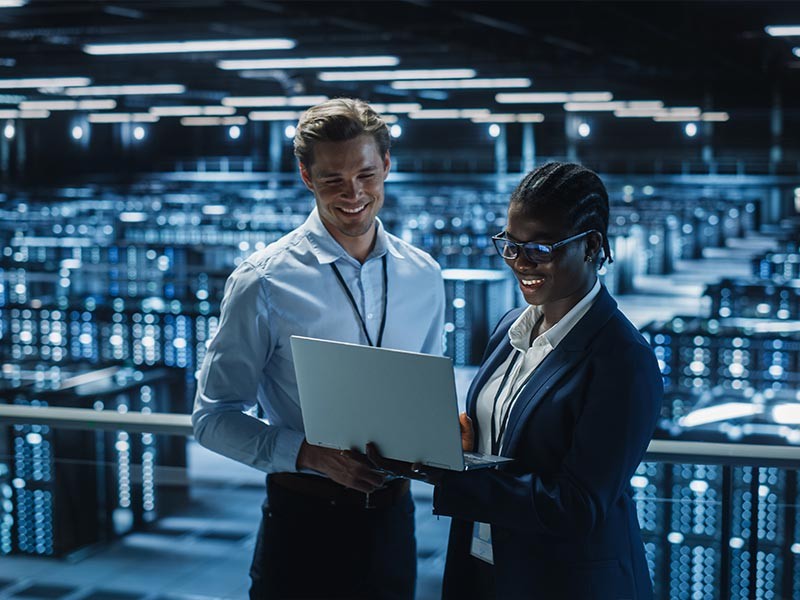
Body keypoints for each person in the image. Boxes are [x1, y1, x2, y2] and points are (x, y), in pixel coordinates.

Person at [192, 98, 445, 599]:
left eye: (366, 174)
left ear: (387, 166)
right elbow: (212, 418)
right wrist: (308, 454)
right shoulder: (263, 281)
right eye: (332, 179)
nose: (353, 194)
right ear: (307, 177)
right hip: (303, 524)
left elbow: (425, 395)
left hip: (395, 521)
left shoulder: (424, 275)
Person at [373, 162, 662, 599]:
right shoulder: (510, 329)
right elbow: (505, 444)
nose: (520, 262)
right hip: (487, 567)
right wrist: (455, 446)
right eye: (510, 245)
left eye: (541, 248)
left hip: (563, 583)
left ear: (590, 246)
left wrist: (448, 479)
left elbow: (576, 505)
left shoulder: (622, 360)